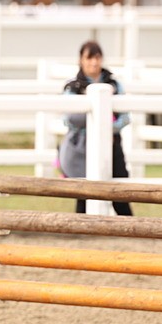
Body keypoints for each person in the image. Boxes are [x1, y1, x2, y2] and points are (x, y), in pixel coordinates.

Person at [59, 40, 133, 216]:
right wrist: (95, 123)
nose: (93, 62)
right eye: (89, 58)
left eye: (97, 58)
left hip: (112, 142)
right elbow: (67, 119)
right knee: (82, 188)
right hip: (81, 147)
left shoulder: (115, 85)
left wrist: (108, 128)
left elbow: (125, 117)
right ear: (81, 60)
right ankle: (81, 227)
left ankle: (129, 225)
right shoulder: (73, 87)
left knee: (119, 186)